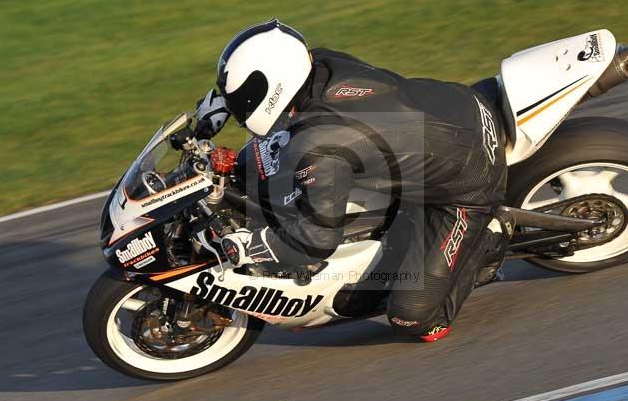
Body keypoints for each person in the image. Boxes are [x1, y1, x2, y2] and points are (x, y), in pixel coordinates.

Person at [195, 19, 512, 342]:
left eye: (240, 97)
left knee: (413, 318)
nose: (237, 103)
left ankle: (489, 238)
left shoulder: (319, 145)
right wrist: (222, 107)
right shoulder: (320, 64)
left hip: (469, 181)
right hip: (455, 104)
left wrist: (251, 246)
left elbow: (317, 240)